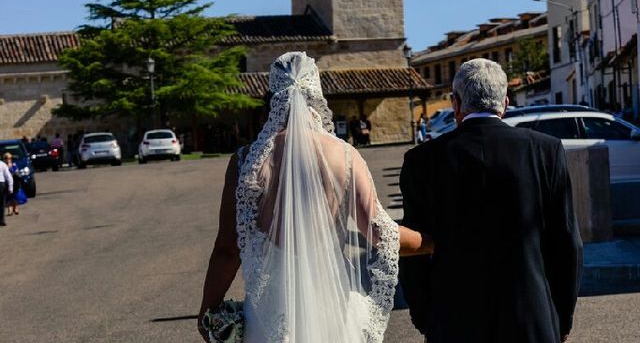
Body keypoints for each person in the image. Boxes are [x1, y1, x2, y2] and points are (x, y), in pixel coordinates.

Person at [198, 52, 431, 343]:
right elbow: (378, 231)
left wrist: (208, 307)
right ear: (316, 94)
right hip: (332, 306)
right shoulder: (344, 154)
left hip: (270, 315)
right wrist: (433, 242)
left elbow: (227, 248)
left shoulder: (246, 161)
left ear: (274, 97)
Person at [399, 58, 583, 343]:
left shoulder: (421, 161)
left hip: (452, 318)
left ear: (455, 103)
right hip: (531, 316)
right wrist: (561, 315)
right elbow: (567, 241)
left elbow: (415, 248)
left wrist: (425, 316)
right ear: (505, 103)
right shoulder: (546, 151)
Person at [0, 154, 14, 227]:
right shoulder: (3, 164)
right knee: (2, 203)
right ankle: (1, 221)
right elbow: (9, 177)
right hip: (1, 184)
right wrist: (10, 188)